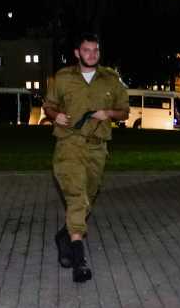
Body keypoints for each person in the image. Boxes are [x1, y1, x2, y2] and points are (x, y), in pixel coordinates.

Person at [43, 33, 129, 284]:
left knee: (86, 199)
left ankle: (64, 237)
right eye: (86, 50)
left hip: (97, 149)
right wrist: (54, 115)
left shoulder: (110, 79)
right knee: (77, 198)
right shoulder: (63, 77)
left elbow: (125, 112)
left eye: (95, 51)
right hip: (69, 145)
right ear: (77, 53)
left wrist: (107, 113)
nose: (91, 54)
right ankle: (79, 261)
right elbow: (48, 105)